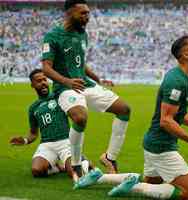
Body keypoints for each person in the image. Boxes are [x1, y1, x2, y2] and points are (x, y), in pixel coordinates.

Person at [108, 36, 188, 200]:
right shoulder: (176, 81)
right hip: (162, 147)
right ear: (185, 54)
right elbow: (166, 120)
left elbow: (178, 114)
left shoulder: (181, 78)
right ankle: (132, 186)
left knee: (153, 187)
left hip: (154, 143)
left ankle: (111, 180)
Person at [41, 0, 131, 180]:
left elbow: (80, 63)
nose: (87, 17)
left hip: (85, 84)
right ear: (68, 13)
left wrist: (98, 79)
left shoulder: (83, 34)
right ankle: (75, 165)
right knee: (81, 118)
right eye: (82, 13)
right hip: (65, 88)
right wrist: (67, 81)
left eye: (88, 13)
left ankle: (110, 158)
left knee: (124, 109)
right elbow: (46, 68)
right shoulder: (53, 36)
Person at [9, 69, 90, 180]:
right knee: (36, 171)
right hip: (47, 145)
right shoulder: (33, 108)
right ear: (32, 85)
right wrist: (24, 140)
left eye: (44, 79)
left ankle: (82, 161)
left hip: (65, 141)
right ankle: (59, 168)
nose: (43, 82)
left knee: (74, 174)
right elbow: (33, 133)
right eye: (38, 81)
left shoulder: (59, 97)